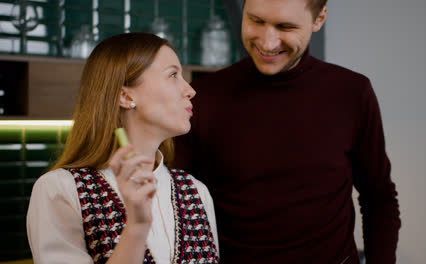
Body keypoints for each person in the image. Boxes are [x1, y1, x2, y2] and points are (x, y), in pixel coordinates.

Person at [174, 0, 401, 263]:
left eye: (286, 27)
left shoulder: (352, 93)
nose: (267, 43)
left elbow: (379, 198)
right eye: (256, 21)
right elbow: (175, 201)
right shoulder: (204, 96)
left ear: (319, 19)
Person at [26, 32, 219, 264]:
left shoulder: (196, 192)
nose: (190, 90)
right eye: (173, 75)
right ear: (125, 96)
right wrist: (137, 227)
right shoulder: (60, 191)